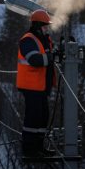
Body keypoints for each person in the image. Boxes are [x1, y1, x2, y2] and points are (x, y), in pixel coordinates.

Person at [17, 10, 57, 158]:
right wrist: (52, 57)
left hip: (41, 87)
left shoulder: (44, 39)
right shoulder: (28, 40)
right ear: (37, 25)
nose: (47, 29)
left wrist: (53, 56)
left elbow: (46, 57)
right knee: (33, 117)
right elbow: (35, 60)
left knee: (43, 116)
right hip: (31, 86)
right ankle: (29, 149)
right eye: (45, 26)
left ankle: (39, 147)